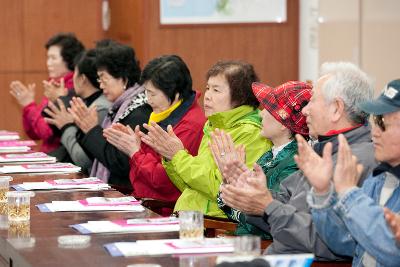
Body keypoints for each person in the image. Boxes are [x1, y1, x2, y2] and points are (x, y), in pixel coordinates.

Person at [219, 62, 377, 260]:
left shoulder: (354, 161)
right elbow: (286, 203)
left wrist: (267, 206)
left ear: (336, 109)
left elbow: (330, 242)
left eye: (312, 101)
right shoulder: (323, 150)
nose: (304, 111)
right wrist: (252, 192)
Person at [139, 60, 272, 218]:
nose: (207, 96)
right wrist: (170, 158)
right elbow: (190, 186)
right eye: (208, 88)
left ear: (240, 96)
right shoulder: (213, 126)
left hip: (213, 226)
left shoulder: (251, 133)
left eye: (216, 90)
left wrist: (178, 156)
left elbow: (219, 190)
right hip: (189, 218)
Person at [302, 79, 400, 266]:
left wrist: (349, 193)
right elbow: (346, 243)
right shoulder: (378, 179)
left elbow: (392, 251)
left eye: (384, 124)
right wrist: (322, 194)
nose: (375, 133)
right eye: (376, 121)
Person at [102, 55, 206, 215]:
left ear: (176, 94)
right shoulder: (163, 114)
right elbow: (143, 176)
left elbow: (163, 181)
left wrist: (135, 152)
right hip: (144, 203)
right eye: (146, 93)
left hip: (163, 211)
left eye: (153, 94)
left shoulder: (190, 126)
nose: (148, 100)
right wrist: (136, 144)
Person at [213, 81, 312, 239]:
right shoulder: (269, 155)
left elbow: (270, 222)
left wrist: (239, 191)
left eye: (268, 109)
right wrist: (229, 182)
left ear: (282, 123)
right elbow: (231, 208)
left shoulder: (295, 162)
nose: (261, 114)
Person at [69, 43, 151, 190]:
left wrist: (92, 130)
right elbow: (97, 155)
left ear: (123, 79)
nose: (101, 86)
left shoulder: (138, 112)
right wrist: (85, 129)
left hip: (124, 193)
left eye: (104, 79)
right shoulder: (120, 107)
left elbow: (120, 163)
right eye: (99, 80)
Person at [9, 33, 84, 153]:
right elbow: (34, 134)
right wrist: (27, 107)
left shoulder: (72, 89)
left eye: (53, 58)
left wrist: (29, 105)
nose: (48, 63)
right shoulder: (53, 84)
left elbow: (45, 132)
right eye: (47, 57)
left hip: (60, 159)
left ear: (69, 60)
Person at [43, 49, 111, 174]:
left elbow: (83, 160)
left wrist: (67, 126)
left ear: (82, 79)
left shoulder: (100, 108)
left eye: (75, 72)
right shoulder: (86, 102)